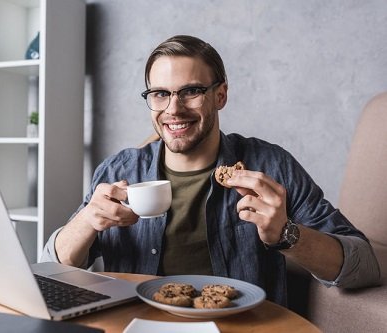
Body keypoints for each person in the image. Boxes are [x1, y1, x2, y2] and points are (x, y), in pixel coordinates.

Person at [42, 35, 380, 305]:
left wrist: (286, 234)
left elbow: (363, 266)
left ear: (220, 95)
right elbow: (53, 266)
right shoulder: (120, 169)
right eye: (160, 94)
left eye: (191, 91)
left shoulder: (271, 166)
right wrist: (87, 219)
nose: (173, 109)